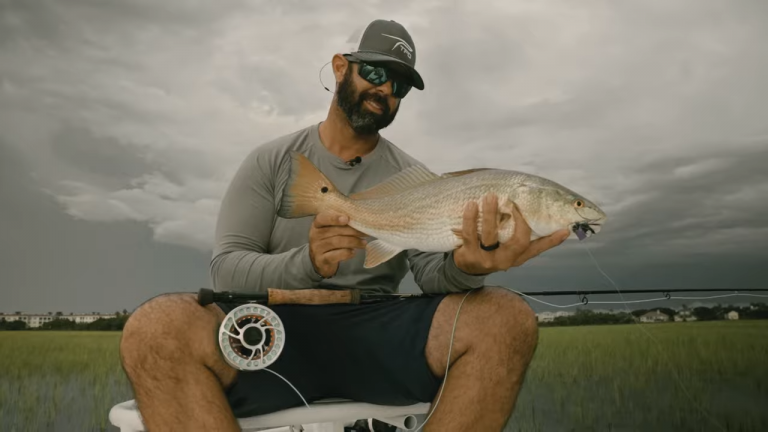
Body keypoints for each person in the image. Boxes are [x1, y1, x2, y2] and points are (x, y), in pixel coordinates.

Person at [119, 19, 569, 432]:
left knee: (507, 318)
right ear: (341, 67)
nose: (385, 90)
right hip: (272, 329)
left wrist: (469, 265)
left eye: (399, 86)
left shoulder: (414, 176)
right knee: (155, 326)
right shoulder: (271, 161)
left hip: (377, 328)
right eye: (375, 73)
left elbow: (432, 276)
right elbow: (226, 270)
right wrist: (307, 263)